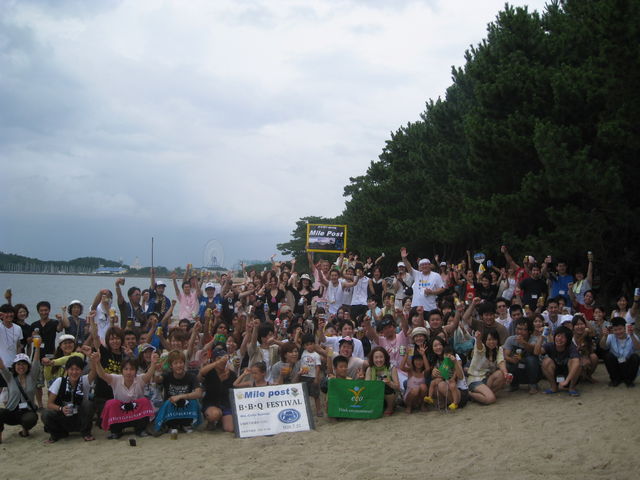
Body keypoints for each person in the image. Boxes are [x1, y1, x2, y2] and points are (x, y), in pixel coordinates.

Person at [91, 350, 159, 438]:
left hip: (137, 415)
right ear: (122, 370)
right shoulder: (115, 379)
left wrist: (153, 363)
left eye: (132, 369)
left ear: (136, 370)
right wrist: (97, 362)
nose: (128, 372)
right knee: (111, 403)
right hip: (120, 414)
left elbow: (149, 374)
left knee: (144, 401)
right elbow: (102, 375)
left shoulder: (140, 379)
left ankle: (140, 430)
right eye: (126, 369)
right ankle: (116, 431)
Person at [42, 356, 96, 443]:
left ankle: (86, 433)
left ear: (81, 370)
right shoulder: (60, 381)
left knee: (88, 404)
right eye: (71, 369)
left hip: (78, 417)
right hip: (63, 416)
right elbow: (49, 404)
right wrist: (61, 408)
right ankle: (57, 434)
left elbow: (94, 372)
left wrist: (91, 357)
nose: (74, 372)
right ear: (67, 370)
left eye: (77, 369)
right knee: (46, 413)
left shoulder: (84, 380)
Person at [154, 350, 203, 434]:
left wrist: (180, 396)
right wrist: (158, 371)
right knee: (169, 402)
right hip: (172, 406)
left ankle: (186, 424)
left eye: (181, 362)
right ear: (171, 366)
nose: (179, 365)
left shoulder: (191, 376)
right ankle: (172, 426)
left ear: (184, 363)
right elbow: (157, 380)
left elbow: (198, 393)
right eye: (175, 363)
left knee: (193, 401)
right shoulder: (167, 376)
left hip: (185, 405)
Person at [0, 350, 40, 443]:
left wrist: (37, 347)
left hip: (27, 411)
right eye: (18, 364)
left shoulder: (32, 377)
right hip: (11, 411)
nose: (21, 366)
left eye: (24, 364)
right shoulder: (9, 377)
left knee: (30, 419)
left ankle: (25, 431)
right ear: (14, 366)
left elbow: (36, 362)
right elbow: (1, 366)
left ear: (28, 366)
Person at [534, 326, 581, 396]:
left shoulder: (571, 347)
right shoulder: (550, 345)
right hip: (555, 373)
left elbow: (576, 362)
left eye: (563, 337)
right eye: (558, 336)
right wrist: (541, 337)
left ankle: (572, 388)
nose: (559, 339)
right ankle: (553, 387)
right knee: (546, 361)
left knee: (577, 364)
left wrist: (566, 381)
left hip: (569, 374)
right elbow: (536, 352)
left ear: (568, 340)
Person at [199, 347, 236, 433]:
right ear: (213, 360)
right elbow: (201, 372)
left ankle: (220, 421)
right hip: (211, 403)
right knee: (214, 414)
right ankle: (211, 421)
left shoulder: (231, 374)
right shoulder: (209, 372)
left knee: (230, 429)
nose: (222, 361)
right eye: (218, 358)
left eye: (224, 358)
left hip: (225, 403)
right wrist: (217, 362)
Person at [467, 330, 509, 404]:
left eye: (494, 339)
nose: (491, 342)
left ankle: (483, 395)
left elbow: (501, 362)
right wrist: (478, 339)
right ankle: (469, 394)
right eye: (489, 339)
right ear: (485, 340)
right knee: (491, 399)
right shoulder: (482, 347)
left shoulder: (499, 349)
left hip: (487, 378)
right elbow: (479, 347)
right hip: (475, 379)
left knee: (502, 374)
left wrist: (506, 374)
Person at [423, 336, 463, 410]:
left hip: (460, 390)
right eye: (435, 345)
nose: (438, 347)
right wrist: (434, 373)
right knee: (434, 383)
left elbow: (460, 376)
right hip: (448, 384)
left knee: (441, 385)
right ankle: (444, 402)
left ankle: (454, 403)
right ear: (432, 348)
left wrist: (455, 363)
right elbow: (439, 375)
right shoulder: (437, 360)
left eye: (440, 344)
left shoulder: (453, 356)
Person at [599, 317, 640, 387]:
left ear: (625, 328)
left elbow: (638, 348)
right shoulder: (610, 336)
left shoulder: (632, 335)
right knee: (608, 356)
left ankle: (629, 381)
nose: (618, 332)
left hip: (628, 365)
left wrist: (632, 335)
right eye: (615, 330)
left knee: (635, 357)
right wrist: (605, 336)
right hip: (616, 365)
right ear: (612, 329)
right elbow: (602, 346)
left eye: (620, 329)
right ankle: (615, 380)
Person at [503, 318, 541, 394]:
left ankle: (533, 385)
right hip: (517, 365)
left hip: (530, 367)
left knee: (531, 360)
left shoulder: (534, 339)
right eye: (518, 329)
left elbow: (533, 350)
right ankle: (514, 384)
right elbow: (505, 355)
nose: (519, 332)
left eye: (523, 329)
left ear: (529, 331)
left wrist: (523, 342)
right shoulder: (511, 339)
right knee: (507, 364)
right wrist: (512, 360)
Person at [365, 346, 400, 416]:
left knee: (385, 386)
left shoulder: (391, 368)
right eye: (376, 357)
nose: (379, 360)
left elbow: (397, 387)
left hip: (390, 396)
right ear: (372, 359)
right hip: (376, 396)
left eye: (381, 357)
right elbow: (367, 386)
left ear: (385, 358)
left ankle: (390, 407)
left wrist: (389, 383)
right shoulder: (370, 369)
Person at [1, 304, 23, 400]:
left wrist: (18, 360)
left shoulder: (18, 328)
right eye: (6, 313)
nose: (9, 315)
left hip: (14, 365)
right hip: (2, 364)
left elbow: (18, 345)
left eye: (11, 312)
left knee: (12, 390)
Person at [299, 334, 322, 416]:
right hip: (303, 376)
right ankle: (306, 411)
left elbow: (317, 367)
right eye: (307, 345)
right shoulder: (303, 352)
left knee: (316, 395)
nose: (309, 346)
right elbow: (296, 342)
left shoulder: (316, 355)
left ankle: (319, 410)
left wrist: (316, 378)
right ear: (304, 346)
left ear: (314, 344)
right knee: (305, 395)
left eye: (311, 344)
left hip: (312, 377)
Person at [571, 314, 598, 383]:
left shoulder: (587, 334)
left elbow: (594, 332)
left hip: (585, 355)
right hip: (573, 358)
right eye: (577, 325)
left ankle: (588, 376)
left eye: (582, 324)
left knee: (594, 357)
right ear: (573, 326)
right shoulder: (570, 336)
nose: (580, 327)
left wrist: (585, 319)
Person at [402, 345, 428, 413]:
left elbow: (428, 368)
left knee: (423, 386)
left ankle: (422, 405)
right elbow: (402, 367)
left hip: (419, 399)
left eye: (420, 360)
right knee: (415, 390)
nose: (418, 362)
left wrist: (423, 355)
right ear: (413, 361)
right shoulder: (411, 371)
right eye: (416, 360)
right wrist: (406, 354)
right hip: (409, 397)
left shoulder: (424, 372)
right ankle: (409, 406)